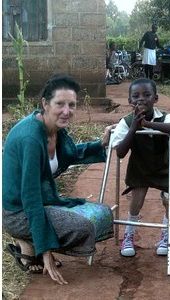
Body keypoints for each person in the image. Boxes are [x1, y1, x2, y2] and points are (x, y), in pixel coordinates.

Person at [3, 74, 114, 285]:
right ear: (45, 103)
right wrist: (46, 252)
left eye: (71, 105)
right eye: (60, 104)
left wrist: (101, 143)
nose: (67, 111)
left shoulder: (54, 130)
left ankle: (32, 240)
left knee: (104, 213)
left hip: (42, 203)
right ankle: (28, 243)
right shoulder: (31, 138)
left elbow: (70, 154)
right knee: (83, 227)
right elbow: (31, 198)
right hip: (18, 212)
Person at [111, 78, 170, 257]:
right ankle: (129, 235)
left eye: (147, 95)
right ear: (129, 101)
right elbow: (120, 152)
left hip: (163, 168)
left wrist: (148, 125)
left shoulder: (165, 117)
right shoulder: (126, 122)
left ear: (155, 98)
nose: (141, 99)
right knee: (137, 199)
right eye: (135, 96)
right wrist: (134, 127)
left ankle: (166, 234)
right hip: (140, 167)